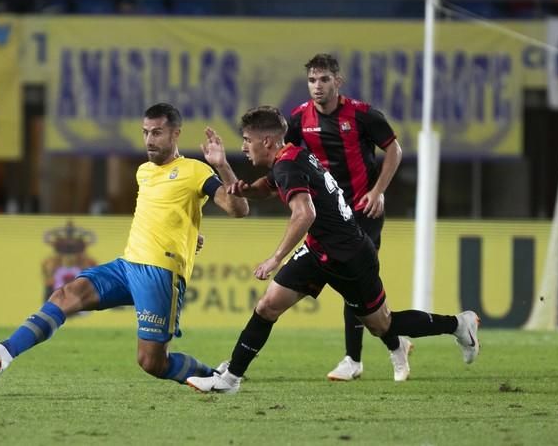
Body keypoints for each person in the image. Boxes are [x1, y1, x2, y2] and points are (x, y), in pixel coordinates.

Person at [186, 106, 479, 394]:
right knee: (268, 306)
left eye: (247, 141)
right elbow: (265, 187)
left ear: (267, 142)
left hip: (350, 257)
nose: (244, 147)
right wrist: (224, 168)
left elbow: (305, 214)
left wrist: (275, 258)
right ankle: (231, 377)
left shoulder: (287, 165)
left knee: (382, 325)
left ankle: (457, 324)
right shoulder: (291, 157)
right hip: (319, 251)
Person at [0, 103, 249, 385]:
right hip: (128, 265)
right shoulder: (144, 171)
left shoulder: (196, 170)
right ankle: (3, 353)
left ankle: (216, 378)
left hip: (161, 272)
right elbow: (164, 212)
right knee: (66, 294)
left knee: (152, 362)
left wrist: (222, 166)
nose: (149, 139)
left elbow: (238, 210)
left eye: (157, 132)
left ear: (176, 134)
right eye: (145, 132)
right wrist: (188, 230)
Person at [286, 53, 406, 382]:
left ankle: (355, 358)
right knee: (358, 287)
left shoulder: (363, 115)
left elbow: (394, 150)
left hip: (363, 210)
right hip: (330, 216)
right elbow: (286, 158)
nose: (317, 86)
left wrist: (378, 190)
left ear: (337, 82)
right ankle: (396, 344)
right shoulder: (298, 119)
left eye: (324, 79)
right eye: (312, 80)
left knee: (356, 282)